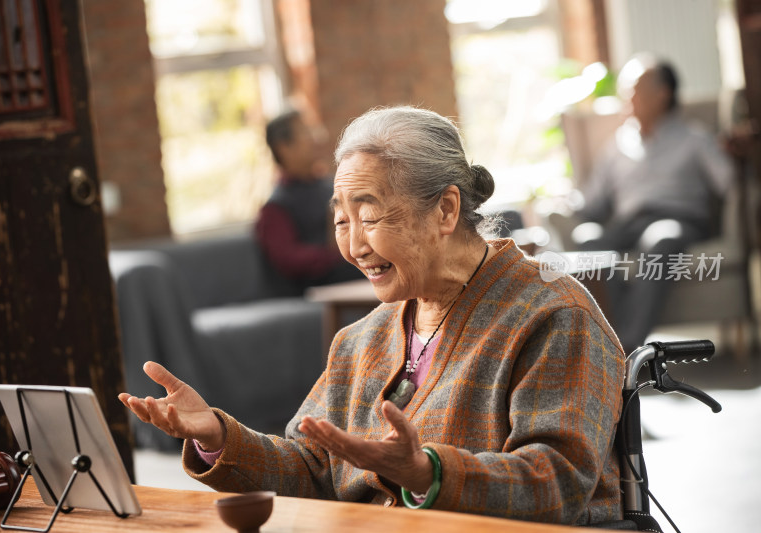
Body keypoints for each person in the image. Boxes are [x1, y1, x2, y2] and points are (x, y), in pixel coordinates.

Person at [119, 106, 625, 525]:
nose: (354, 244)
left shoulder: (555, 314)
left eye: (369, 215)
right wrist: (215, 435)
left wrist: (427, 473)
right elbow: (312, 468)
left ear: (446, 210)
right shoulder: (361, 339)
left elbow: (557, 484)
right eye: (341, 220)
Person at [572, 55, 734, 351]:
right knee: (589, 241)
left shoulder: (694, 138)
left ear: (662, 94)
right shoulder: (618, 144)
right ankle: (613, 344)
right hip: (628, 223)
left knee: (660, 238)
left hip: (677, 220)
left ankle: (629, 347)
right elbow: (591, 201)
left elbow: (729, 182)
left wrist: (736, 151)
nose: (626, 96)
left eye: (633, 88)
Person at [256, 110, 361, 288]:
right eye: (306, 133)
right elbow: (289, 260)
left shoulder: (329, 185)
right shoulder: (275, 207)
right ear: (284, 147)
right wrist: (338, 253)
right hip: (318, 282)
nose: (316, 139)